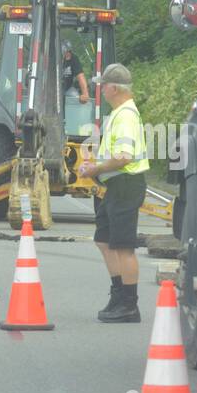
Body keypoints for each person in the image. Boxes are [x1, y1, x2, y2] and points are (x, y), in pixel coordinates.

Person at [76, 63, 148, 323]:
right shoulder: (120, 113)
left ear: (114, 88)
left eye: (103, 85)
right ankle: (118, 294)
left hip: (126, 184)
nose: (101, 90)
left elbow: (123, 157)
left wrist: (94, 168)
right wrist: (97, 168)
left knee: (124, 246)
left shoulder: (126, 115)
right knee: (104, 239)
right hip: (116, 185)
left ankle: (129, 304)